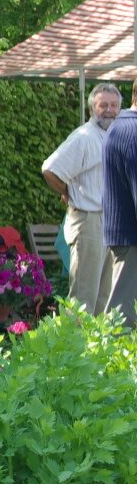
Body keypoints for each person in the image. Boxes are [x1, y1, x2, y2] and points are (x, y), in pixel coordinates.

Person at [41, 83, 120, 314]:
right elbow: (50, 169)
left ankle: (98, 349)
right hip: (88, 221)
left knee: (105, 296)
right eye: (102, 105)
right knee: (84, 296)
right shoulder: (83, 136)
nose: (109, 110)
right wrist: (66, 192)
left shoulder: (112, 135)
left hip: (109, 220)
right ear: (91, 109)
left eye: (114, 105)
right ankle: (75, 348)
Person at [103, 81, 137, 326]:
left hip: (125, 235)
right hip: (131, 238)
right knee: (122, 321)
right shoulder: (133, 130)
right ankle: (111, 365)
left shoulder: (121, 125)